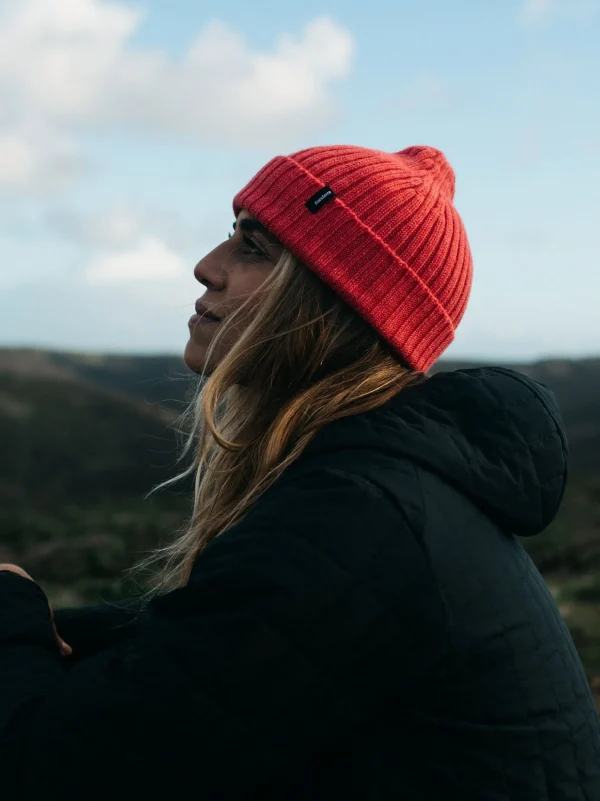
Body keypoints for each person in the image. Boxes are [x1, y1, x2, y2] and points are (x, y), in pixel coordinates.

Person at [0, 144, 598, 801]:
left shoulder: (358, 523)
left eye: (253, 246)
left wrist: (14, 606)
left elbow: (52, 774)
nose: (206, 266)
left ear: (332, 303)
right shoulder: (382, 494)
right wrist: (61, 632)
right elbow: (216, 647)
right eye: (233, 234)